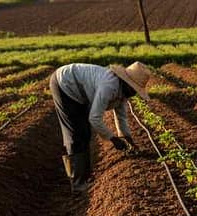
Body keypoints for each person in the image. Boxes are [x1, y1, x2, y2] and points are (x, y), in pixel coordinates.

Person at [49, 62, 151, 192]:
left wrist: (128, 138)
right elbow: (94, 118)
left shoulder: (122, 92)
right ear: (127, 83)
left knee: (85, 132)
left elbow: (121, 116)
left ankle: (85, 176)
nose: (134, 94)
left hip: (79, 90)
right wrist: (113, 139)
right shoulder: (109, 86)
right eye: (134, 89)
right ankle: (78, 183)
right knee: (75, 133)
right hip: (64, 83)